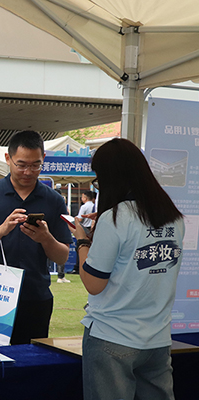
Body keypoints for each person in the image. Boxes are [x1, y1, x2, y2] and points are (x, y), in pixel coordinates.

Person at [71, 138, 184, 400]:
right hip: (157, 338)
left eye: (98, 180)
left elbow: (94, 284)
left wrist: (82, 241)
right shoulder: (173, 217)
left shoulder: (116, 218)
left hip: (113, 337)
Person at [0, 130, 71, 345]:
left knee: (33, 360)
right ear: (8, 159)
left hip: (36, 298)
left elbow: (62, 257)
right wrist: (1, 230)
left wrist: (46, 238)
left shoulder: (53, 200)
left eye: (36, 165)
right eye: (21, 164)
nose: (28, 172)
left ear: (43, 159)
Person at [56, 192, 71, 283]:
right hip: (59, 233)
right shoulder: (60, 205)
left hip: (52, 232)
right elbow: (67, 215)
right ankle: (60, 276)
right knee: (61, 254)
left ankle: (61, 276)